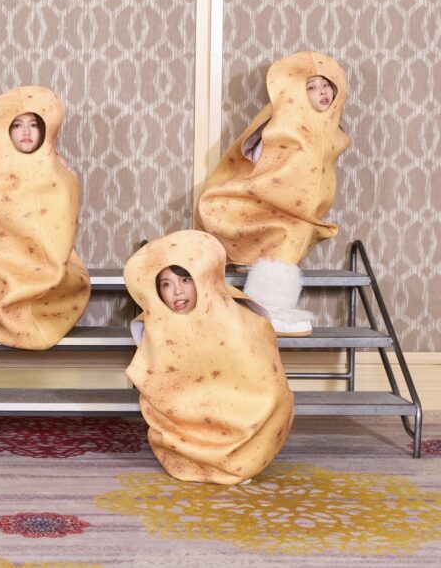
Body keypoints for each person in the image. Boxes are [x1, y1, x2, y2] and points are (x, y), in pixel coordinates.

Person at [197, 52, 350, 336]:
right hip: (267, 203)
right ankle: (268, 305)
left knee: (295, 233)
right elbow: (257, 158)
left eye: (326, 85)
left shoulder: (333, 132)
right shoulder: (281, 126)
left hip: (302, 211)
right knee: (288, 233)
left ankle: (270, 298)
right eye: (311, 87)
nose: (322, 92)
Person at [124, 230, 294, 485]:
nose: (177, 292)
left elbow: (263, 375)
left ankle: (240, 456)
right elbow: (158, 383)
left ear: (202, 277)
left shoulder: (240, 319)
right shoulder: (154, 328)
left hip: (245, 408)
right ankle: (199, 458)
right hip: (186, 420)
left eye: (185, 280)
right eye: (166, 284)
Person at [0, 86, 90, 350]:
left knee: (63, 278)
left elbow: (63, 221)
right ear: (5, 130)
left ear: (44, 130)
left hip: (52, 260)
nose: (26, 132)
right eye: (17, 125)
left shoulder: (61, 170)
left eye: (33, 124)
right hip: (0, 261)